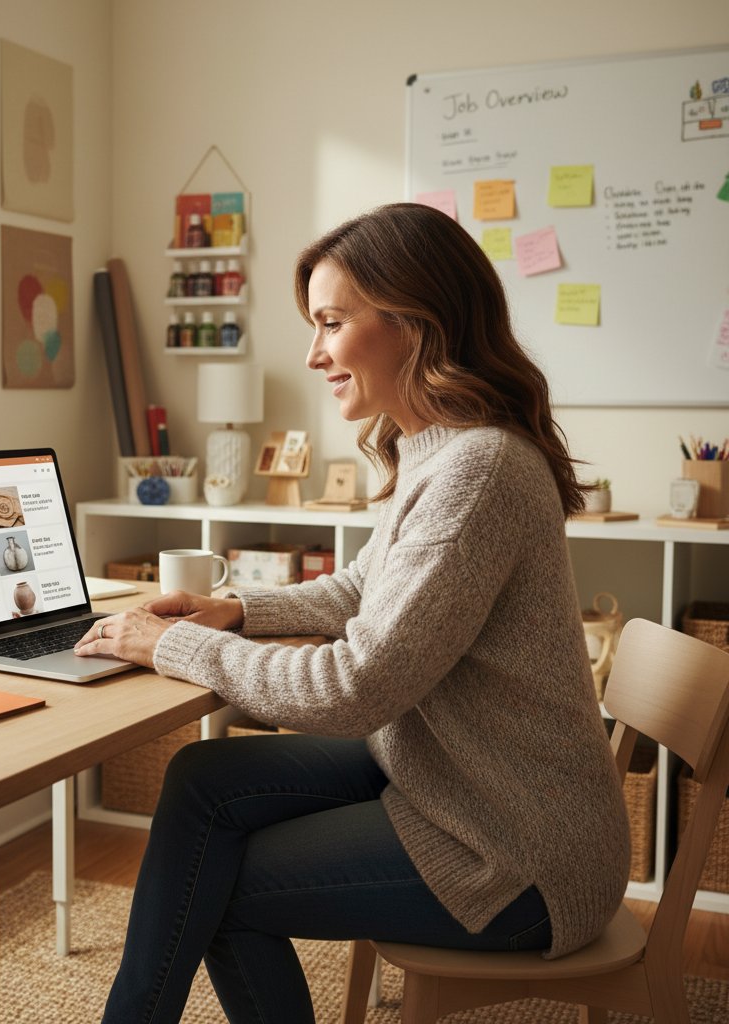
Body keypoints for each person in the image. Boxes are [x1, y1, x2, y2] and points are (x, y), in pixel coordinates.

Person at [74, 202, 631, 1024]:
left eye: (332, 323)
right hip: (450, 781)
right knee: (201, 781)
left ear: (415, 322)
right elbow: (361, 590)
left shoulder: (479, 469)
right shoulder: (439, 448)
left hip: (516, 853)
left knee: (216, 886)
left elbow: (354, 688)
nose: (313, 353)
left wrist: (173, 646)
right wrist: (231, 609)